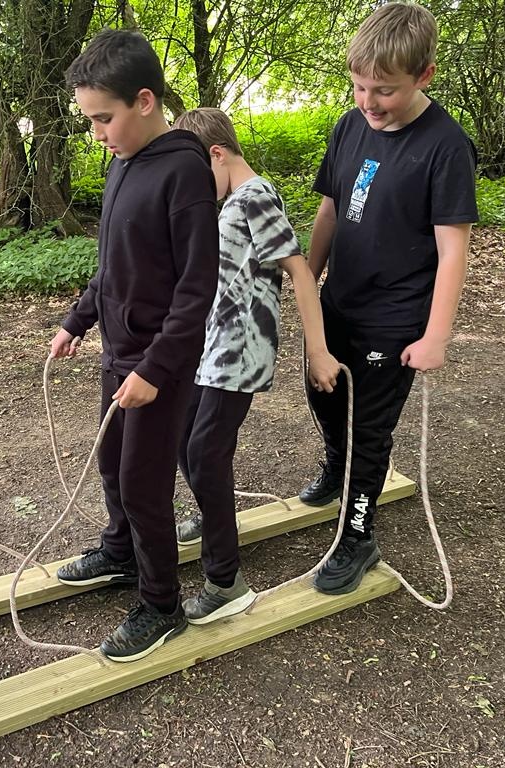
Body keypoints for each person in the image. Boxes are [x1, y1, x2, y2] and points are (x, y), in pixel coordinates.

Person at [50, 29, 219, 662]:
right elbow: (113, 264)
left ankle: (161, 604)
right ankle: (121, 553)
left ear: (145, 101)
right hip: (118, 354)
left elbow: (197, 288)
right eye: (89, 120)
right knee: (112, 464)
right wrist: (78, 319)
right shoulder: (123, 162)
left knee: (144, 485)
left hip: (159, 367)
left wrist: (155, 368)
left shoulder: (185, 172)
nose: (97, 132)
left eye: (104, 118)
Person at [299, 1, 478, 595]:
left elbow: (452, 252)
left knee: (369, 430)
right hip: (339, 299)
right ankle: (337, 467)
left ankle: (358, 537)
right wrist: (308, 279)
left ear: (424, 75)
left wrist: (435, 337)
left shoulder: (446, 146)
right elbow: (330, 208)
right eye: (359, 87)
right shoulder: (350, 126)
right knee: (323, 393)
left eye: (385, 90)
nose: (369, 102)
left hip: (395, 316)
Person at [167, 108, 341, 624]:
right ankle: (213, 517)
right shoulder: (232, 201)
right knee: (184, 437)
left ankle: (226, 582)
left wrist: (318, 350)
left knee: (205, 452)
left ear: (217, 154)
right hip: (211, 344)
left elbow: (301, 273)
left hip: (241, 347)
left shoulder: (256, 195)